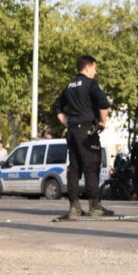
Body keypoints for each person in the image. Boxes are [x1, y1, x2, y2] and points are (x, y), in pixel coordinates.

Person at [53, 55, 112, 220]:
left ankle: (74, 207)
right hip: (86, 132)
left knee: (74, 168)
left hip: (71, 131)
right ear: (87, 67)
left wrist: (65, 120)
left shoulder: (69, 86)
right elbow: (104, 103)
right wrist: (103, 122)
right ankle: (94, 206)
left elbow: (56, 106)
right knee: (91, 167)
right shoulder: (91, 83)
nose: (96, 71)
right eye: (94, 67)